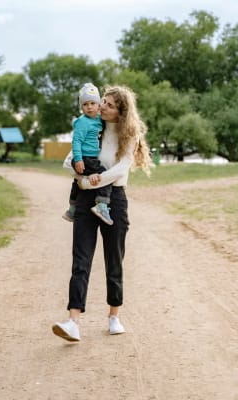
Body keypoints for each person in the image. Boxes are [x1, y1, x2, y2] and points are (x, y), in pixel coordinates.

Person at [52, 85, 152, 342]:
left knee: (114, 259)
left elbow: (121, 169)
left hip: (115, 200)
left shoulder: (129, 134)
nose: (101, 106)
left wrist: (92, 181)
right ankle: (73, 322)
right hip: (86, 199)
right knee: (81, 260)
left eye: (108, 104)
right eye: (102, 102)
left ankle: (114, 316)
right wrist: (81, 178)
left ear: (121, 110)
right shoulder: (91, 126)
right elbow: (68, 160)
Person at [63, 83, 113, 225]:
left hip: (89, 159)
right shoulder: (81, 122)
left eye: (92, 103)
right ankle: (102, 204)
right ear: (81, 107)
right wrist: (78, 159)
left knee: (76, 182)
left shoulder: (99, 120)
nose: (89, 107)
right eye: (85, 104)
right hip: (84, 158)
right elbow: (76, 141)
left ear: (99, 105)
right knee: (103, 173)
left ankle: (72, 208)